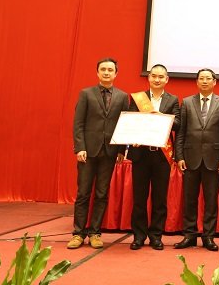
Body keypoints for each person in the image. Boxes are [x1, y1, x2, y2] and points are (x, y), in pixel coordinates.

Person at [68, 57, 130, 249]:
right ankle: (78, 233)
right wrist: (80, 147)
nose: (106, 72)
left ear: (116, 74)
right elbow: (78, 123)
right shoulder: (86, 94)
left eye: (110, 70)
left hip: (110, 151)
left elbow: (124, 124)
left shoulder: (122, 96)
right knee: (83, 193)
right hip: (88, 151)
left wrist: (121, 149)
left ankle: (95, 232)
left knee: (102, 194)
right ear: (97, 72)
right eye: (103, 69)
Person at [174, 68, 219, 251]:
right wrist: (179, 156)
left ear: (214, 82)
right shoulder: (187, 102)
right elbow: (181, 132)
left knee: (211, 200)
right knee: (189, 200)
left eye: (208, 78)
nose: (205, 81)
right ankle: (189, 235)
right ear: (197, 82)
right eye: (201, 78)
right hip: (190, 157)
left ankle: (208, 236)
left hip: (214, 158)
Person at [128, 64, 180, 251]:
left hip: (161, 156)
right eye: (154, 76)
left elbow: (179, 123)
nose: (157, 79)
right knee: (139, 198)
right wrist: (132, 138)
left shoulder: (172, 100)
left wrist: (162, 117)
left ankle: (156, 236)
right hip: (140, 154)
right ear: (149, 78)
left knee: (159, 199)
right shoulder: (138, 98)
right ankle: (139, 236)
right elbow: (131, 121)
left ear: (166, 79)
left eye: (161, 77)